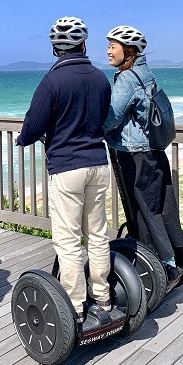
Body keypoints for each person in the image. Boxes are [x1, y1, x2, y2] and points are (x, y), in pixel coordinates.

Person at [16, 16, 113, 323]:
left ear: (55, 47)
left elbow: (32, 126)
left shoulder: (53, 81)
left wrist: (24, 137)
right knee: (97, 234)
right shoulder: (100, 77)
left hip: (68, 167)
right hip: (99, 162)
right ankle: (104, 297)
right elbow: (103, 118)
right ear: (83, 44)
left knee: (68, 239)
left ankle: (75, 306)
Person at [103, 25, 183, 291]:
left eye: (113, 46)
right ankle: (173, 256)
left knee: (144, 210)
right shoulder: (146, 72)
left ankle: (166, 267)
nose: (108, 51)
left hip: (133, 154)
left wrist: (90, 128)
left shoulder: (126, 79)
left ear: (129, 50)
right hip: (153, 151)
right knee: (161, 204)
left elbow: (112, 117)